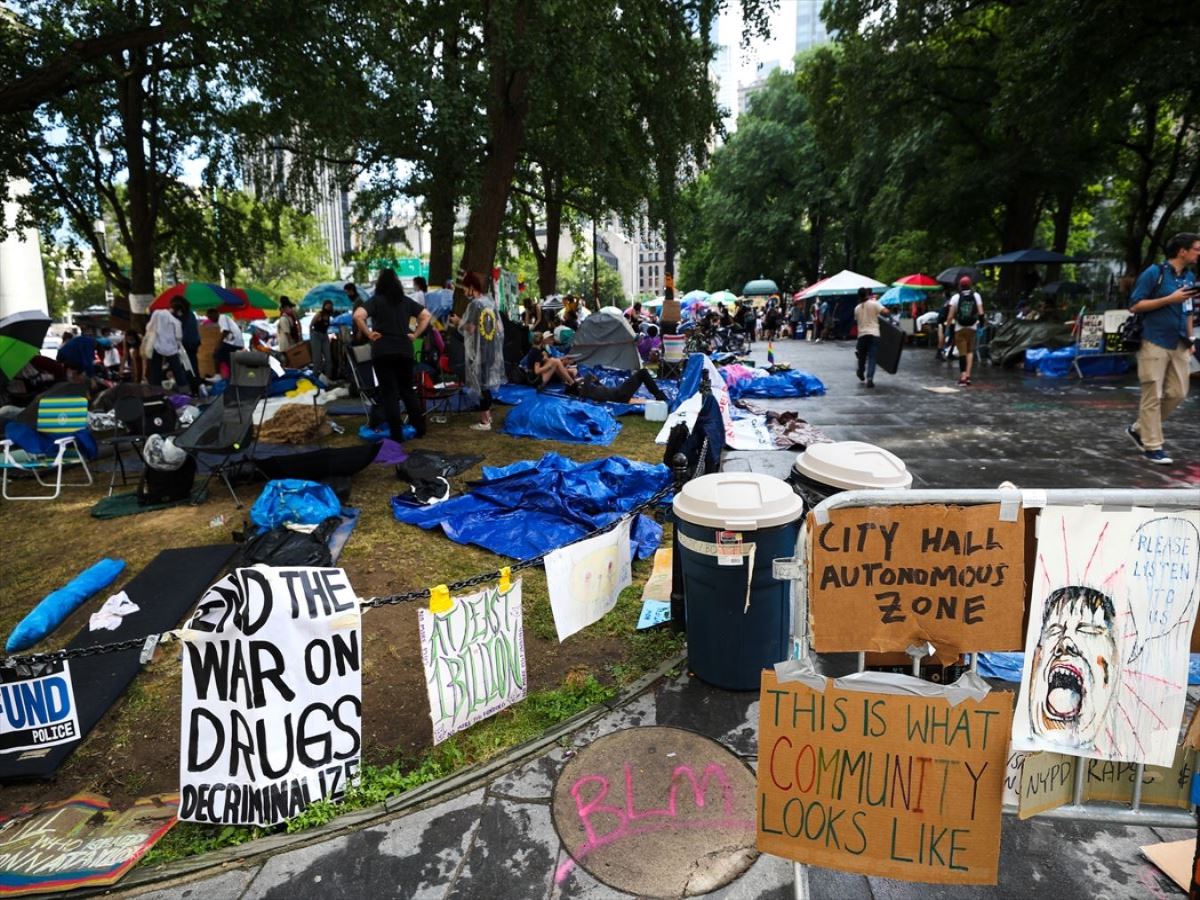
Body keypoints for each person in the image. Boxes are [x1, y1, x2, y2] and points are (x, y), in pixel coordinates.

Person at [1125, 232, 1199, 465]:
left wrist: (1190, 339)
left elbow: (1188, 309)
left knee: (1178, 393)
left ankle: (1139, 429)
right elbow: (1135, 305)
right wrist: (1169, 299)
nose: (1199, 253)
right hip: (1153, 340)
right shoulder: (1154, 273)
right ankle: (1153, 446)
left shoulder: (1189, 277)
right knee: (1152, 394)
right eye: (1196, 248)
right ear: (1182, 251)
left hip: (1180, 342)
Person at [353, 268, 430, 439]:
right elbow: (426, 315)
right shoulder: (406, 301)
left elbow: (358, 315)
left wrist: (368, 333)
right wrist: (416, 334)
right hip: (404, 349)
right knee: (408, 391)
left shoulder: (376, 301)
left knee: (390, 393)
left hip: (382, 350)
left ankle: (396, 433)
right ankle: (420, 429)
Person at [461, 271, 505, 430]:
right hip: (491, 349)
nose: (464, 291)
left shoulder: (475, 305)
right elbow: (499, 327)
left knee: (481, 385)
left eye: (465, 288)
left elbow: (471, 329)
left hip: (479, 350)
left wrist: (458, 322)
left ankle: (485, 421)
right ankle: (488, 417)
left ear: (471, 287)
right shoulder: (489, 303)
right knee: (486, 382)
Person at [946, 276, 984, 386]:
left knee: (962, 352)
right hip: (972, 327)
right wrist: (980, 325)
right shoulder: (976, 296)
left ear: (960, 286)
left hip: (959, 328)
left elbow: (950, 316)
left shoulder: (955, 298)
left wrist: (948, 328)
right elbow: (981, 313)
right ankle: (968, 375)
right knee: (970, 351)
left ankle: (962, 377)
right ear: (970, 285)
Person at [147, 299, 189, 391]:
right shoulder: (176, 321)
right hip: (171, 348)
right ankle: (184, 391)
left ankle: (155, 391)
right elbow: (179, 336)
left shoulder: (157, 313)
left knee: (156, 371)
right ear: (179, 310)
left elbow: (149, 327)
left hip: (156, 346)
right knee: (177, 370)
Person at [566, 367, 668, 404]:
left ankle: (658, 394)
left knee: (642, 373)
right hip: (619, 395)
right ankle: (658, 395)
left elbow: (600, 388)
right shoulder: (584, 392)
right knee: (643, 373)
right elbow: (587, 376)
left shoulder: (588, 389)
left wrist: (596, 382)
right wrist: (584, 378)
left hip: (618, 392)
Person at [853, 287, 886, 388]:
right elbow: (886, 312)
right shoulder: (874, 303)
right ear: (867, 294)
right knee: (872, 357)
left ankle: (860, 372)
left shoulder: (857, 308)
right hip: (874, 333)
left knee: (862, 357)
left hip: (862, 335)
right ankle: (870, 378)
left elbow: (856, 320)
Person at [206, 307, 243, 378]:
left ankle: (217, 376)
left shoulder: (222, 317)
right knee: (227, 359)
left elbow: (225, 331)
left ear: (215, 313)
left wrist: (218, 345)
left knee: (216, 354)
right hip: (237, 342)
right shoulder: (224, 318)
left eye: (210, 317)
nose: (210, 319)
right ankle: (233, 377)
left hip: (234, 342)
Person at [178, 298, 201, 392]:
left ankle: (193, 386)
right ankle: (196, 385)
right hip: (194, 342)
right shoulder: (191, 314)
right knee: (193, 364)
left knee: (189, 366)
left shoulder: (183, 315)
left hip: (187, 343)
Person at [310, 299, 335, 379]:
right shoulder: (319, 314)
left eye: (330, 306)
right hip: (316, 336)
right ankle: (315, 377)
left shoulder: (329, 316)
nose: (328, 307)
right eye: (327, 305)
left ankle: (328, 377)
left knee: (328, 358)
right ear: (324, 306)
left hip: (325, 336)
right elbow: (311, 325)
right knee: (317, 359)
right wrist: (312, 336)